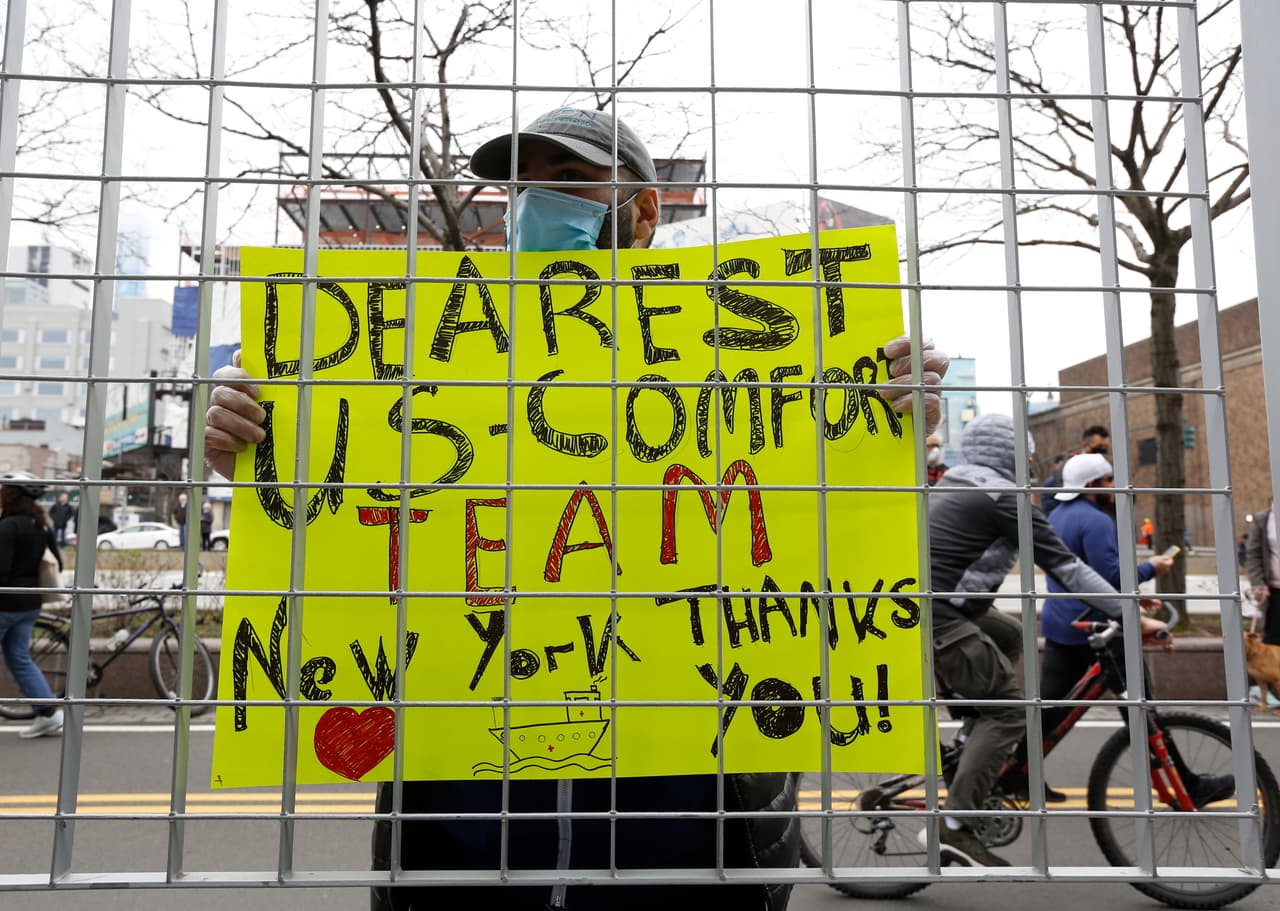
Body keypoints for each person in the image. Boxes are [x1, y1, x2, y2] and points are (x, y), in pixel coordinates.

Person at [205, 106, 952, 911]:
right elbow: (354, 536)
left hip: (690, 856)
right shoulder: (436, 355)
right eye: (521, 188)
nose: (536, 205)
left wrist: (885, 432)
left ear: (644, 211)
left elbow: (821, 553)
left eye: (568, 181)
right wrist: (257, 451)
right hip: (460, 856)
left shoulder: (753, 358)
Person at [922, 413, 1166, 867]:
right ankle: (954, 825)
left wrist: (1121, 602)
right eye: (1027, 453)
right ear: (1012, 454)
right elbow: (1066, 567)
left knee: (1010, 632)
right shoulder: (1003, 498)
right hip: (940, 614)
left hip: (937, 603)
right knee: (1011, 713)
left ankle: (973, 727)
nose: (1031, 463)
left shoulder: (958, 479)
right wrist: (1128, 612)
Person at [1042, 453, 1175, 730]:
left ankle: (1020, 756)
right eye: (1109, 479)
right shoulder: (1096, 521)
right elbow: (1110, 577)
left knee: (1045, 714)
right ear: (1092, 485)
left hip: (1059, 625)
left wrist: (1137, 595)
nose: (1114, 486)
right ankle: (1153, 751)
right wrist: (1152, 567)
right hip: (1098, 626)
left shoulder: (1055, 515)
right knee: (1142, 713)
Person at [0, 470, 64, 739]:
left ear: (11, 495)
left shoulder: (8, 526)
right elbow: (58, 563)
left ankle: (48, 713)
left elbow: (1, 570)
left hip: (5, 604)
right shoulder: (40, 524)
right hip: (30, 604)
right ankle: (48, 713)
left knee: (20, 658)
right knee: (20, 659)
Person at [1245, 503, 1280, 707]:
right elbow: (1254, 554)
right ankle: (1268, 692)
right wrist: (1258, 583)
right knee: (1272, 639)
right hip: (1275, 591)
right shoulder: (1263, 519)